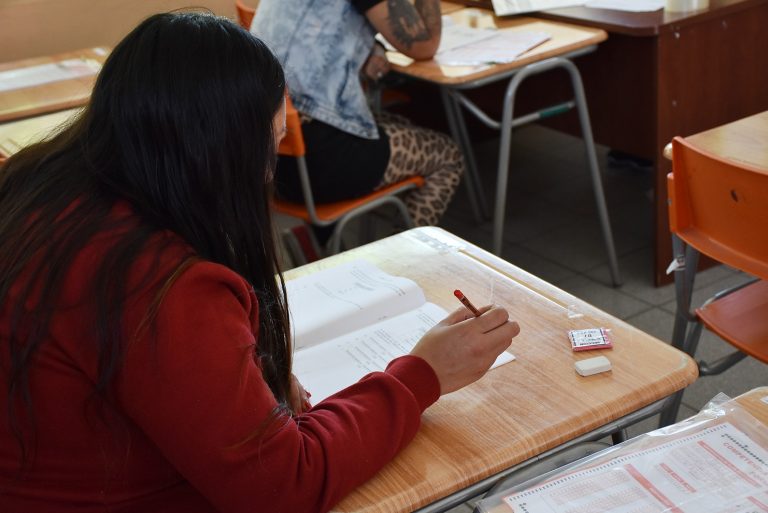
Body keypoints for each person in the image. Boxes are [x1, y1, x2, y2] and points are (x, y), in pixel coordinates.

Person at [0, 11, 519, 513]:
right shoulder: (161, 284)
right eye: (270, 150)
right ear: (220, 155)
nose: (268, 175)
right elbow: (284, 488)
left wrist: (244, 375)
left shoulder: (38, 185)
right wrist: (421, 375)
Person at [251, 0, 466, 230]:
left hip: (268, 157)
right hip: (318, 159)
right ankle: (403, 256)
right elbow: (425, 46)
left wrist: (371, 50)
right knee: (448, 156)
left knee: (401, 123)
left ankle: (349, 247)